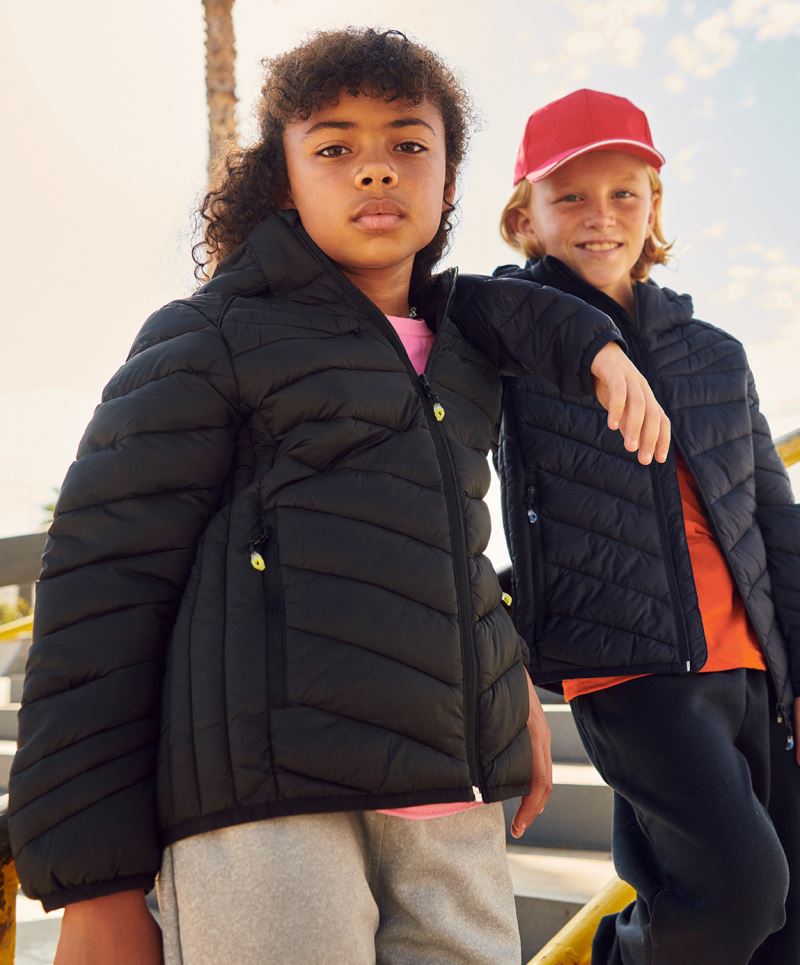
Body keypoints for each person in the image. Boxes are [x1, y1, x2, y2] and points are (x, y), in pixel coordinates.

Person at [7, 34, 669, 965]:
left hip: (451, 814)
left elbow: (442, 541)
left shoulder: (463, 353)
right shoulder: (211, 335)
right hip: (269, 813)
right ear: (283, 179)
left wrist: (502, 669)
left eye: (408, 144)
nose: (375, 169)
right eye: (333, 147)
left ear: (448, 180)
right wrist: (96, 885)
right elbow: (100, 593)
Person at [495, 87, 800, 965]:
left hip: (753, 664)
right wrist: (590, 339)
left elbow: (774, 515)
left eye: (624, 192)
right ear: (524, 217)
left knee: (785, 921)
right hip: (630, 668)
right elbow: (464, 301)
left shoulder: (716, 352)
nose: (602, 215)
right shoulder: (510, 337)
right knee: (737, 891)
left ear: (654, 205)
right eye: (570, 196)